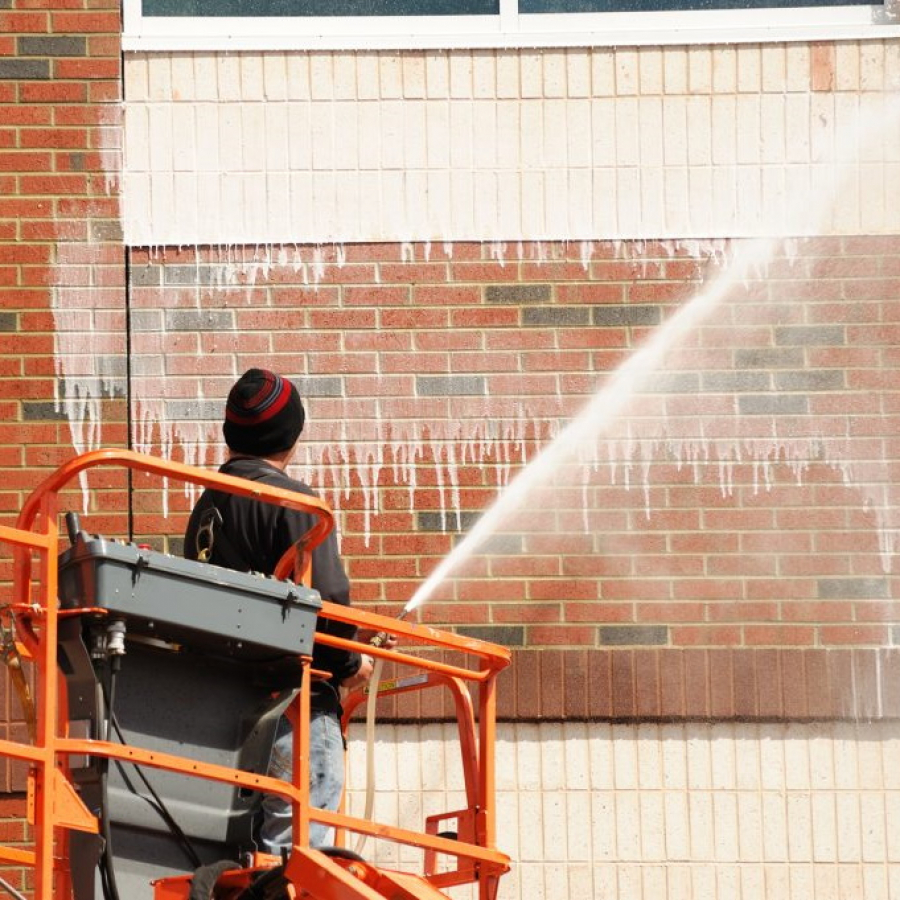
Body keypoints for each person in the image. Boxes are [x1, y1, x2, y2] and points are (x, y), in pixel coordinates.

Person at [184, 367, 372, 852]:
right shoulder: (292, 501)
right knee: (297, 857)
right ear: (291, 434)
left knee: (248, 861)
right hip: (293, 708)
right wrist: (351, 663)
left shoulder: (206, 507)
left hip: (222, 712)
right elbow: (326, 602)